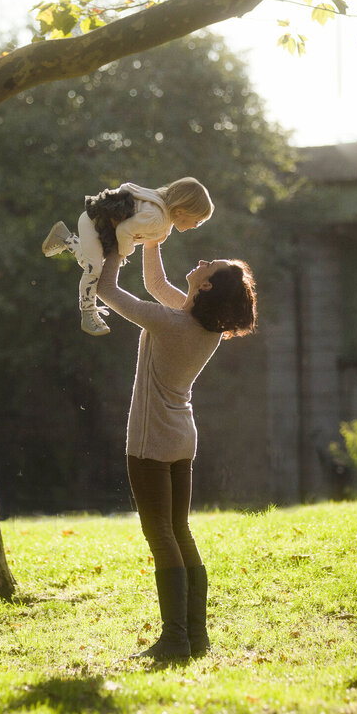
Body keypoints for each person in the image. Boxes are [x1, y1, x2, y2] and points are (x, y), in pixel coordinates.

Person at [96, 238, 257, 660]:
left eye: (209, 264)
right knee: (179, 530)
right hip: (183, 438)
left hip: (152, 440)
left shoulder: (170, 324)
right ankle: (195, 637)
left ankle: (174, 640)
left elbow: (106, 291)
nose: (202, 260)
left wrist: (112, 245)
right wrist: (149, 240)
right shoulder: (201, 325)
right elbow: (156, 282)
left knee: (161, 534)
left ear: (205, 287)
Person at [41, 177, 214, 336]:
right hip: (94, 224)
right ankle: (88, 312)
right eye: (197, 221)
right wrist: (126, 250)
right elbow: (124, 230)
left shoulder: (161, 215)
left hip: (98, 226)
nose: (196, 226)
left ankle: (65, 238)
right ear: (181, 211)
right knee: (94, 268)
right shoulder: (158, 218)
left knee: (92, 264)